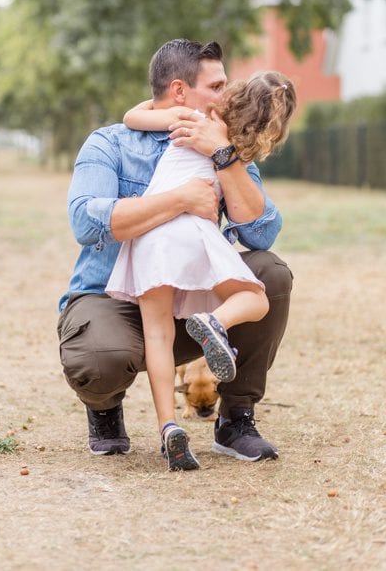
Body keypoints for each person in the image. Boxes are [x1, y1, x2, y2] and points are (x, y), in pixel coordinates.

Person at [58, 39, 294, 464]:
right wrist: (182, 199)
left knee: (270, 275)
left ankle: (234, 419)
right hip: (109, 294)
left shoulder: (225, 143)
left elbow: (261, 233)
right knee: (101, 357)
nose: (228, 93)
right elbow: (86, 221)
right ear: (180, 91)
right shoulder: (110, 144)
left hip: (192, 295)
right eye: (217, 85)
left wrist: (223, 156)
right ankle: (105, 407)